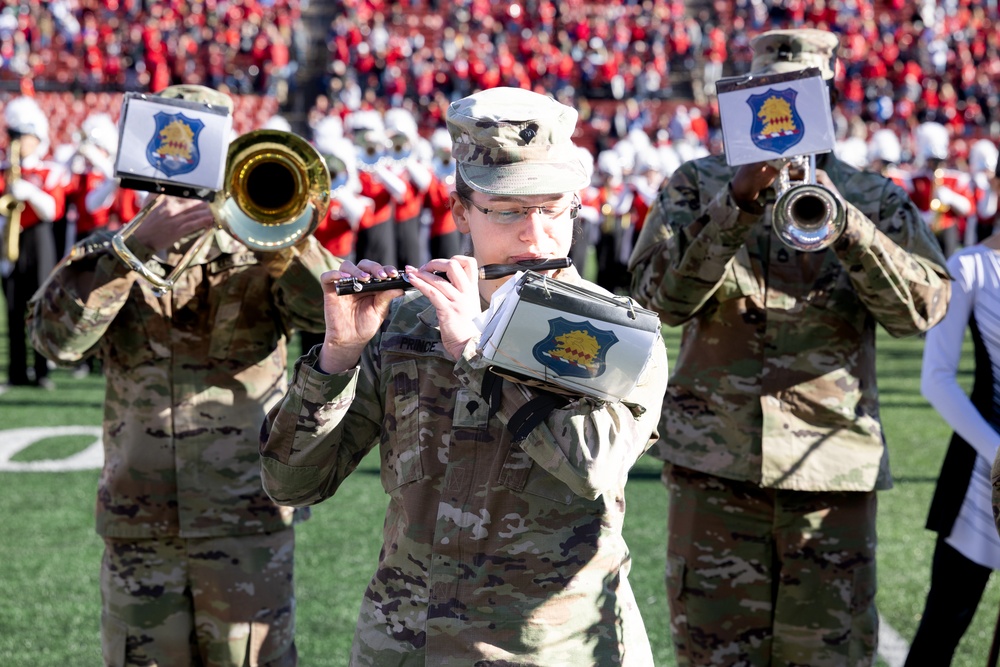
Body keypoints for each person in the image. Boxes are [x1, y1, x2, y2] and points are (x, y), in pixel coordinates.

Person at [259, 86, 669, 665]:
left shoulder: (620, 334)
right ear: (460, 212)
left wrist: (477, 352)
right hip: (405, 646)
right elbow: (291, 484)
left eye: (552, 208)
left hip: (552, 649)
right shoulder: (404, 323)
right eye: (506, 211)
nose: (533, 233)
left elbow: (593, 468)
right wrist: (338, 357)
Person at [628, 28, 951, 666]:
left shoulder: (872, 196)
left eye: (805, 94)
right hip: (714, 474)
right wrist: (737, 203)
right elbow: (655, 302)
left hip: (830, 477)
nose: (789, 110)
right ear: (747, 96)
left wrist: (846, 223)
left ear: (827, 97)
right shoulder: (695, 184)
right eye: (772, 94)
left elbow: (920, 312)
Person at [27, 84, 339, 667]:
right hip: (139, 524)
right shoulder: (109, 252)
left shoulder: (267, 250)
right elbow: (55, 343)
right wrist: (129, 253)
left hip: (245, 516)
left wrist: (283, 240)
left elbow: (330, 315)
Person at [908, 179, 1000, 665]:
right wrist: (998, 452)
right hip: (981, 486)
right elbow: (936, 379)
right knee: (941, 629)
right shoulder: (971, 267)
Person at [1, 94, 66, 390]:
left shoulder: (48, 170)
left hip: (39, 241)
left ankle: (41, 371)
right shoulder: (4, 170)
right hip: (11, 240)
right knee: (13, 308)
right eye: (13, 135)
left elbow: (53, 211)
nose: (16, 141)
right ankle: (16, 371)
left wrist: (28, 191)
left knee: (40, 308)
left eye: (22, 136)